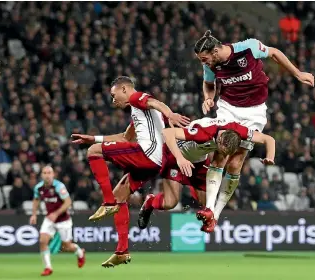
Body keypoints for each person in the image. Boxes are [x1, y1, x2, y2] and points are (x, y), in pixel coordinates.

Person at [193, 30, 314, 225]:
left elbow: (274, 53)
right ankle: (208, 208)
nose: (204, 63)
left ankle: (216, 213)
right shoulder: (211, 66)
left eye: (205, 59)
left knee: (236, 162)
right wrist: (208, 98)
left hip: (254, 112)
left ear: (215, 51)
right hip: (228, 108)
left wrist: (298, 73)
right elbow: (208, 84)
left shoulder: (248, 48)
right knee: (221, 154)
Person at [71, 76, 190, 267]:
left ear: (124, 89)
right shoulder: (138, 113)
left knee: (93, 153)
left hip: (147, 155)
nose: (113, 100)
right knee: (120, 195)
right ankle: (122, 251)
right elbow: (125, 137)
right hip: (154, 163)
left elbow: (156, 102)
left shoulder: (136, 98)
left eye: (113, 94)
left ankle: (107, 202)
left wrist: (171, 114)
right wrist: (93, 138)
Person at [138, 117, 275, 232]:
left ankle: (193, 188)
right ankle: (150, 202)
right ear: (220, 140)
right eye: (223, 150)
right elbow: (167, 133)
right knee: (170, 203)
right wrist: (180, 158)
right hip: (176, 157)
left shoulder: (238, 131)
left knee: (208, 205)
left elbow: (269, 139)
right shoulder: (203, 133)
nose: (224, 155)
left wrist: (270, 156)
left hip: (198, 161)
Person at [29, 166, 85, 276]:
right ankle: (48, 267)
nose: (47, 175)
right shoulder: (39, 188)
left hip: (63, 220)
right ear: (42, 175)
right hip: (49, 219)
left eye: (49, 172)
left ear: (53, 174)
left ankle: (79, 252)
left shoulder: (59, 186)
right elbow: (36, 199)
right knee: (42, 241)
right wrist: (34, 214)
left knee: (67, 247)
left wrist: (56, 213)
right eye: (45, 173)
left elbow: (68, 202)